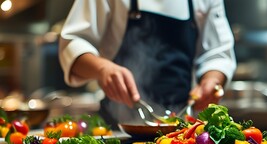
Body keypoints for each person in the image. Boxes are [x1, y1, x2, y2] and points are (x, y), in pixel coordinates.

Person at [59, 0, 237, 128]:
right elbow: (72, 43)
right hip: (119, 129)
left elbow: (218, 53)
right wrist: (102, 69)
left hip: (182, 130)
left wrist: (212, 80)